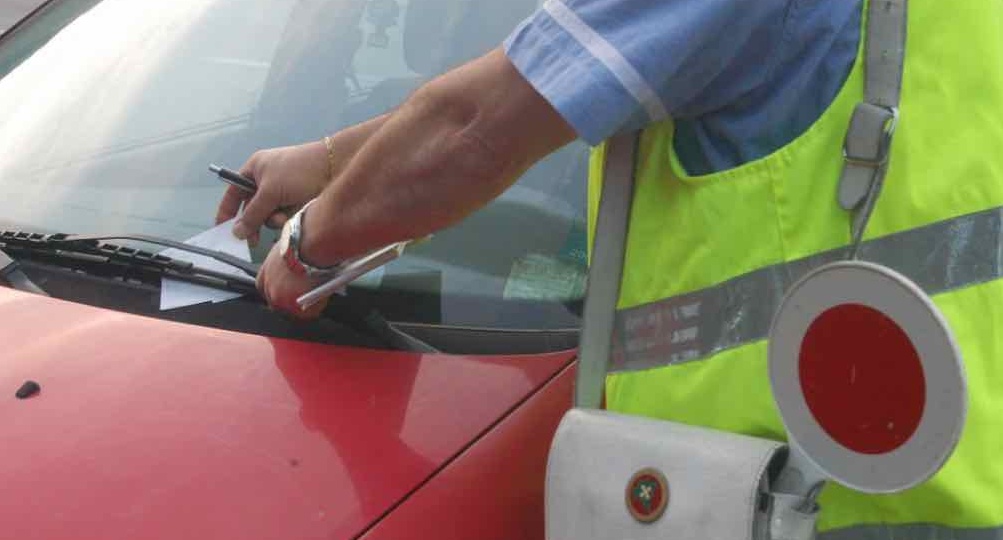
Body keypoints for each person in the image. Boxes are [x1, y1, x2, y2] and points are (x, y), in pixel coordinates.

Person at [217, 0, 1003, 537]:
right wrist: (326, 161)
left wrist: (308, 245)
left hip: (782, 503)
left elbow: (478, 127)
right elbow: (551, 82)